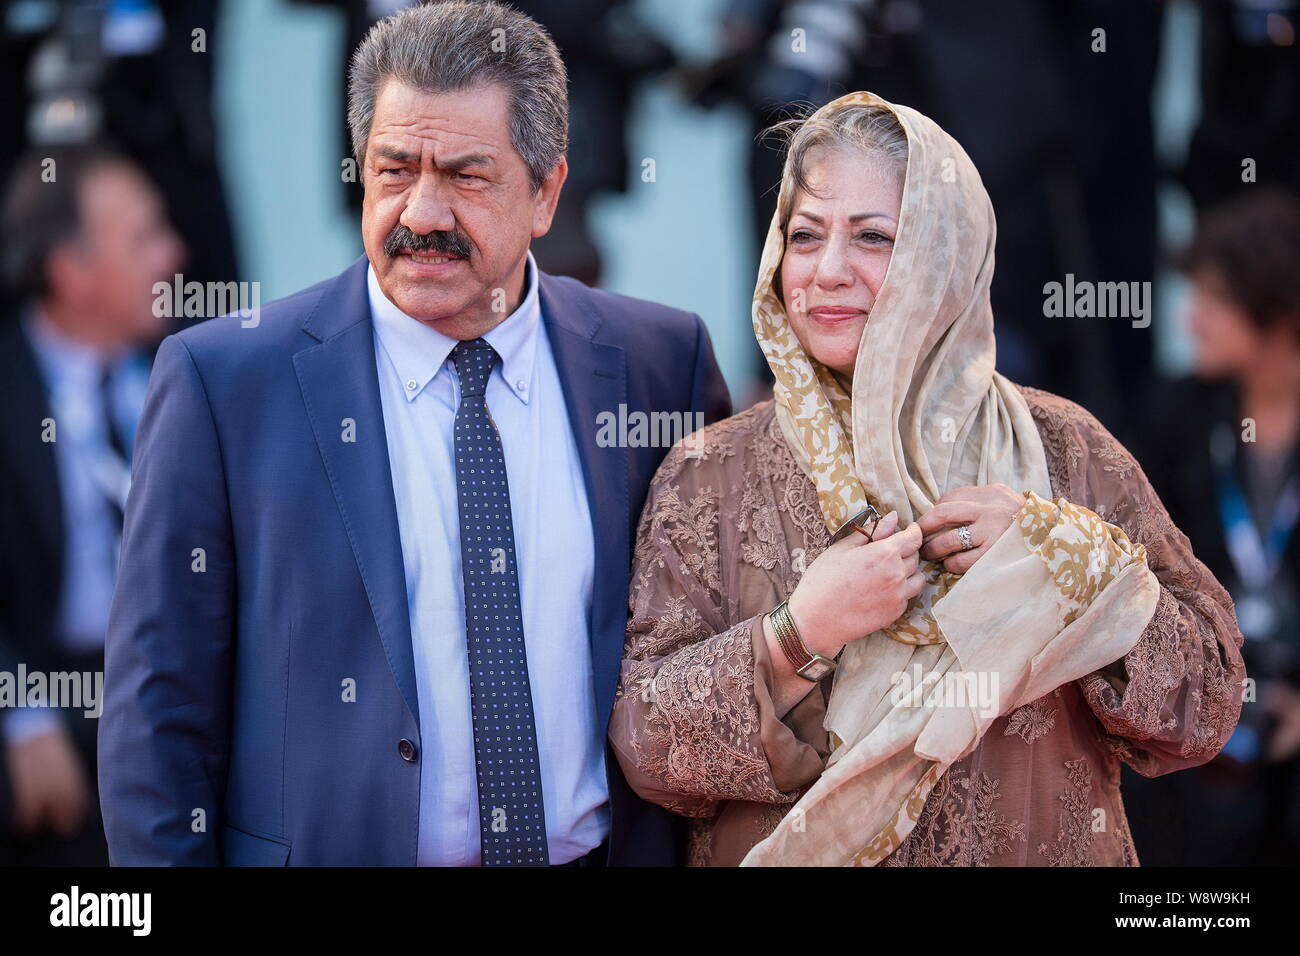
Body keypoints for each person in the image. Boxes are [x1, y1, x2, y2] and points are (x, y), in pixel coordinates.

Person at [98, 0, 729, 866]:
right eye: (394, 171)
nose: (422, 213)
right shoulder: (225, 384)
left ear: (546, 192)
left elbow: (720, 657)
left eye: (467, 176)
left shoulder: (662, 364)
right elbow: (157, 711)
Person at [608, 91, 1245, 866]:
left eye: (874, 238)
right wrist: (798, 634)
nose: (827, 271)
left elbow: (1207, 708)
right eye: (803, 237)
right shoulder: (711, 474)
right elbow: (647, 749)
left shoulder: (1066, 450)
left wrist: (1066, 561)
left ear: (945, 255)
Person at [0, 143, 185, 865]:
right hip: (46, 683)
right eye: (144, 237)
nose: (175, 254)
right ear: (70, 274)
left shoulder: (194, 371)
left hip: (167, 687)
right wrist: (21, 715)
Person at [1124, 188, 1300, 865]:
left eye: (1215, 303)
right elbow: (1136, 566)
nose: (1192, 320)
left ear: (1280, 317)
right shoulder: (1179, 416)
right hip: (1202, 704)